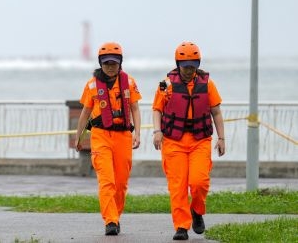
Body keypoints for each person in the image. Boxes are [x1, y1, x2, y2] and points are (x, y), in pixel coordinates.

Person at [151, 41, 226, 240]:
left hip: (200, 140)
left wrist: (221, 138)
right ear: (178, 65)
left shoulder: (208, 84)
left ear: (198, 65)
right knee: (178, 185)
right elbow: (157, 109)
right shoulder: (166, 84)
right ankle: (181, 227)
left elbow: (216, 112)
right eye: (185, 66)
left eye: (193, 66)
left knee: (199, 182)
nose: (188, 70)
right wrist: (157, 131)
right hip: (173, 141)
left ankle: (197, 211)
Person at [73, 42, 142, 236]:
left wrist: (138, 133)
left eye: (114, 63)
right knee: (106, 181)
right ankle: (110, 220)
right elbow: (85, 112)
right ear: (100, 63)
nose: (110, 67)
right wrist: (78, 136)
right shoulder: (92, 85)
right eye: (106, 63)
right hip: (101, 136)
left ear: (120, 63)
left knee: (120, 183)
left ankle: (116, 216)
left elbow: (135, 109)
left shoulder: (129, 82)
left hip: (123, 137)